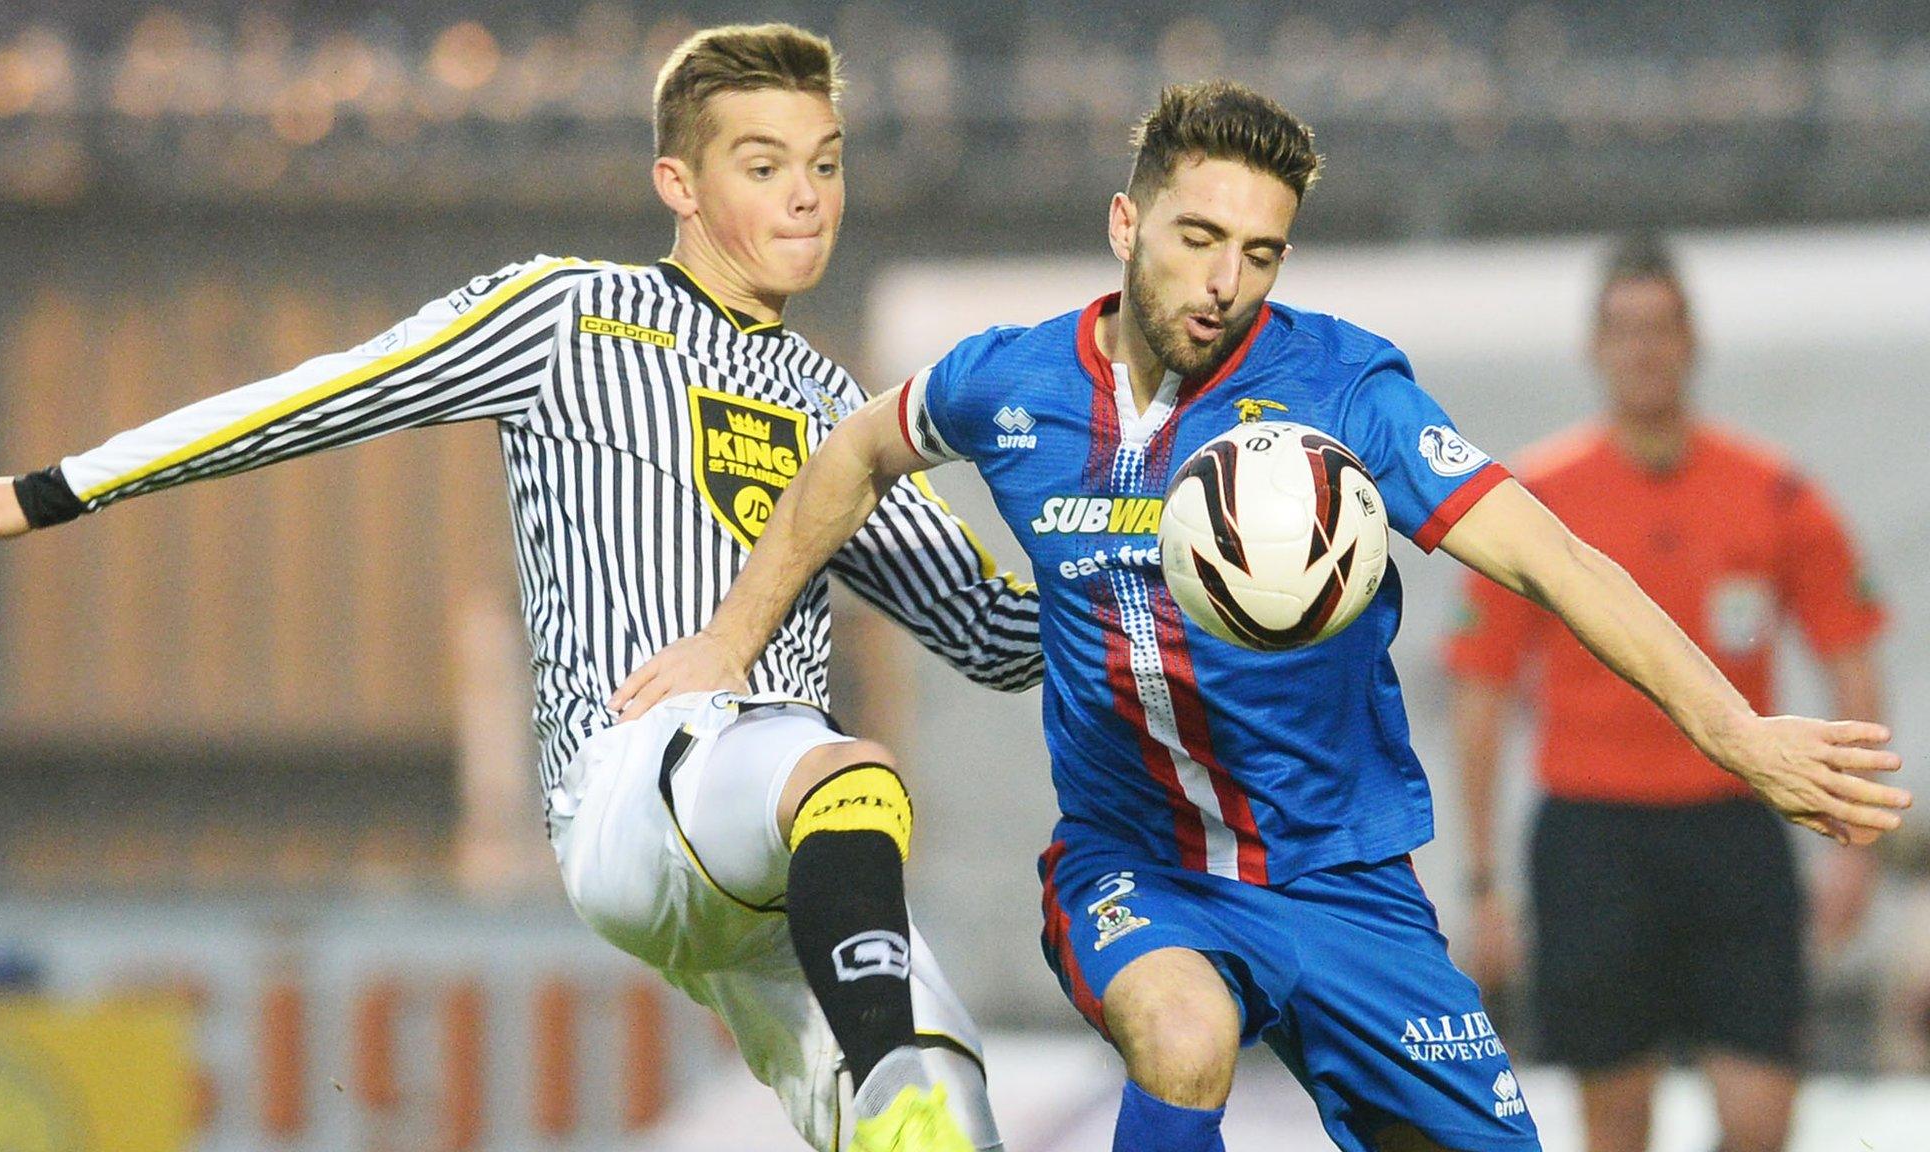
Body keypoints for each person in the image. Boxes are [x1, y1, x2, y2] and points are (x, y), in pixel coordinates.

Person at [614, 82, 1910, 1152]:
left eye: (1262, 251)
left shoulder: (1345, 392)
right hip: (1138, 868)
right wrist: (731, 644)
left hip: (1348, 887)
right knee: (1185, 1039)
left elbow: (1557, 561)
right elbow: (852, 452)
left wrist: (1735, 731)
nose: (1227, 279)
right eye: (1197, 238)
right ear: (1126, 221)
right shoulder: (1007, 385)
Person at [0, 24, 1039, 1152]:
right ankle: (884, 1059)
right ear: (676, 185)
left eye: (825, 164)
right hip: (637, 781)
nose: (807, 197)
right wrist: (59, 486)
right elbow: (332, 390)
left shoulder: (828, 404)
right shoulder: (567, 316)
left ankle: (895, 1085)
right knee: (847, 782)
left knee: (946, 1119)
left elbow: (992, 633)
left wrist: (1162, 581)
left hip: (778, 864)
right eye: (764, 165)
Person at [1444, 234, 1888, 1152]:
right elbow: (1481, 694)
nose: (1644, 350)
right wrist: (1484, 881)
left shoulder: (1771, 493)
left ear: (1693, 342)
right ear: (1595, 349)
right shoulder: (1533, 501)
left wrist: (1856, 838)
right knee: (1619, 1119)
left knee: (1760, 1115)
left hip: (1735, 830)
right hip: (1594, 840)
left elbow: (1849, 658)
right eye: (1624, 331)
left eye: (1662, 329)